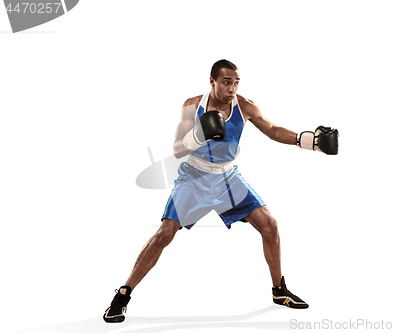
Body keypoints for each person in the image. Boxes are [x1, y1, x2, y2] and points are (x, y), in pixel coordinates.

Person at [103, 59, 338, 323]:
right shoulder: (192, 106)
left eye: (236, 83)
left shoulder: (245, 106)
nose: (232, 89)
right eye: (227, 82)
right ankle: (122, 295)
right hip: (194, 176)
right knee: (164, 233)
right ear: (212, 81)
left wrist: (308, 141)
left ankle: (278, 291)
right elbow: (178, 149)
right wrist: (199, 134)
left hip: (227, 177)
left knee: (269, 225)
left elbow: (272, 130)